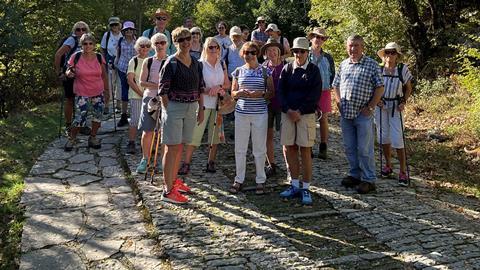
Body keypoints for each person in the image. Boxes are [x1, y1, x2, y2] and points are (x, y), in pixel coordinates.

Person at [333, 35, 384, 194]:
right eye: (350, 45)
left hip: (363, 114)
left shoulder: (372, 64)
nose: (353, 49)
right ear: (346, 47)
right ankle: (355, 174)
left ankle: (369, 179)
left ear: (362, 47)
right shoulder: (343, 64)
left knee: (364, 148)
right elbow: (335, 85)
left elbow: (380, 87)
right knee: (349, 147)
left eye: (356, 45)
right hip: (346, 113)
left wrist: (370, 106)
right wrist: (339, 101)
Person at [159, 27, 205, 204]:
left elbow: (200, 87)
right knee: (171, 148)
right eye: (181, 40)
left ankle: (173, 180)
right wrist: (167, 110)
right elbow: (162, 90)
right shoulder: (171, 63)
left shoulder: (195, 62)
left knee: (180, 146)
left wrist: (200, 108)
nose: (186, 42)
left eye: (188, 39)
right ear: (175, 42)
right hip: (174, 108)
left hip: (191, 107)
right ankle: (167, 190)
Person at [278, 37, 322, 205]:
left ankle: (306, 187)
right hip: (288, 113)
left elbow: (314, 95)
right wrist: (288, 110)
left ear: (307, 52)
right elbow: (280, 91)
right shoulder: (287, 68)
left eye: (302, 51)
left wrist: (300, 111)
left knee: (305, 150)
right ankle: (294, 184)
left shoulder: (313, 71)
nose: (298, 54)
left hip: (306, 115)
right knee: (290, 148)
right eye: (296, 51)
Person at [179, 37, 231, 175]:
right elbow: (195, 86)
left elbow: (227, 84)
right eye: (210, 47)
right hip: (202, 103)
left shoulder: (222, 63)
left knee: (216, 134)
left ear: (219, 49)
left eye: (216, 47)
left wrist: (218, 87)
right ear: (205, 49)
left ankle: (211, 162)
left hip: (218, 104)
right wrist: (208, 90)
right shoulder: (200, 64)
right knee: (195, 134)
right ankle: (186, 163)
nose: (213, 50)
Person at [228, 42, 274, 195]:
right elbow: (232, 92)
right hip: (241, 112)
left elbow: (271, 93)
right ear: (242, 54)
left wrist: (259, 94)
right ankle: (239, 178)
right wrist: (239, 93)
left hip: (260, 113)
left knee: (259, 148)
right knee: (240, 148)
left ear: (257, 54)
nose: (249, 55)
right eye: (246, 52)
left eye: (252, 52)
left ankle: (260, 179)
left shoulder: (265, 71)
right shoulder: (238, 71)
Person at [375, 42, 413, 186]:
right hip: (381, 106)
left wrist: (404, 101)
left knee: (398, 139)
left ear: (397, 55)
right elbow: (374, 87)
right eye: (387, 53)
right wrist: (377, 100)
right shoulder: (378, 70)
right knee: (383, 136)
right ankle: (388, 165)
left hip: (396, 107)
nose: (389, 55)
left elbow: (408, 88)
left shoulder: (402, 69)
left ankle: (403, 171)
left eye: (393, 53)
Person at [64, 33, 109, 151]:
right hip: (81, 91)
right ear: (81, 44)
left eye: (90, 43)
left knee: (97, 116)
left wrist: (107, 91)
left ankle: (93, 137)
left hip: (98, 91)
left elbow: (104, 75)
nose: (88, 46)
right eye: (85, 43)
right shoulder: (76, 56)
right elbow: (68, 70)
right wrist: (69, 74)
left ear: (94, 45)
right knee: (79, 117)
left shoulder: (99, 57)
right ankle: (72, 138)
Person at [136, 33, 168, 173]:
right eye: (157, 43)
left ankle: (162, 160)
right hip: (151, 99)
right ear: (153, 46)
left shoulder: (171, 61)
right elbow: (142, 82)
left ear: (167, 44)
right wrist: (158, 86)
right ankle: (145, 159)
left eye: (162, 42)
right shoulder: (148, 61)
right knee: (148, 130)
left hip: (167, 100)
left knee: (165, 131)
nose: (159, 45)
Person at [54, 21, 90, 135]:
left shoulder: (88, 41)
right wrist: (59, 72)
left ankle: (81, 124)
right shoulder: (71, 40)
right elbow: (58, 54)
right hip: (70, 74)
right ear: (74, 31)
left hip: (84, 74)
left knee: (83, 100)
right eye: (78, 29)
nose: (81, 31)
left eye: (83, 29)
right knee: (70, 100)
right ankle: (69, 126)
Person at [307, 27, 335, 159]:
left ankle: (323, 146)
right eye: (317, 37)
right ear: (311, 37)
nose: (319, 40)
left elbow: (332, 74)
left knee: (323, 119)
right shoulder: (305, 54)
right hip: (309, 92)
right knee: (309, 119)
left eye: (322, 38)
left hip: (324, 91)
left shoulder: (328, 57)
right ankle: (309, 146)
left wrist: (329, 86)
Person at [260, 37, 285, 178]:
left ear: (279, 51)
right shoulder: (263, 67)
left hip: (282, 106)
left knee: (285, 137)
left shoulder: (286, 66)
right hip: (267, 105)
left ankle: (289, 165)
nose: (272, 53)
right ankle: (272, 164)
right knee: (267, 136)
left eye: (274, 50)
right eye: (269, 50)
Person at [125, 37, 151, 154]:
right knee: (135, 119)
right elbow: (130, 80)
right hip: (136, 95)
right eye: (142, 45)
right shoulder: (133, 61)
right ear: (137, 47)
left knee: (149, 120)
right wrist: (141, 94)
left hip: (150, 95)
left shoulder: (152, 61)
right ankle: (131, 142)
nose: (144, 48)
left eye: (147, 46)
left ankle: (146, 144)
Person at [115, 21, 137, 128]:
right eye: (127, 30)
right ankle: (123, 115)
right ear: (123, 31)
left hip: (134, 69)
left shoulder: (137, 41)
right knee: (124, 91)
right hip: (122, 68)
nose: (129, 31)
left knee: (134, 91)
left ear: (133, 31)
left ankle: (134, 114)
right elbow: (118, 53)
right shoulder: (120, 40)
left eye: (131, 30)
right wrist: (114, 63)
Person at [100, 16, 123, 115]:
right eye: (112, 24)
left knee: (120, 84)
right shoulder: (107, 35)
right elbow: (102, 48)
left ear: (119, 25)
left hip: (121, 62)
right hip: (109, 61)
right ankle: (106, 105)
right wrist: (103, 61)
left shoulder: (123, 35)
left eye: (116, 24)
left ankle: (118, 105)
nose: (114, 26)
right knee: (109, 84)